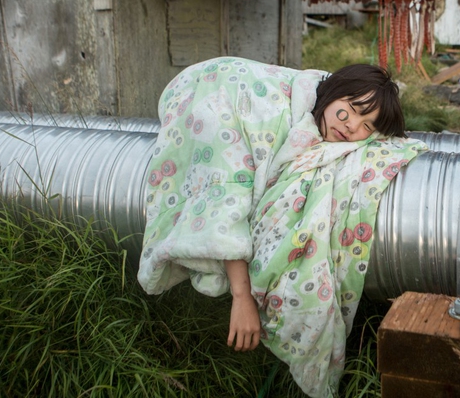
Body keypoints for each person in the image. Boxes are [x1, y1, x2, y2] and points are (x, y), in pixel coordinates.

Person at [137, 57, 425, 397]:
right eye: (350, 109)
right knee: (222, 174)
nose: (351, 127)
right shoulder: (272, 112)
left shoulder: (322, 115)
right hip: (210, 87)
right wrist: (242, 296)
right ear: (332, 92)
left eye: (367, 126)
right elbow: (227, 189)